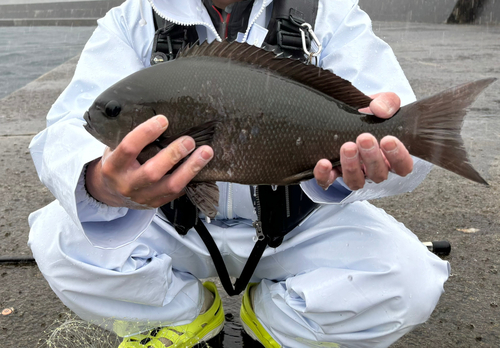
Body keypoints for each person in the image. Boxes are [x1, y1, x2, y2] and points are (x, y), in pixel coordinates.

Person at [28, 0, 450, 347]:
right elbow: (65, 130)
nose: (107, 116)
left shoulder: (330, 13)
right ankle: (186, 320)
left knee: (410, 280)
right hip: (172, 225)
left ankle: (277, 325)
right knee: (58, 241)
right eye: (115, 113)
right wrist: (102, 182)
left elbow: (405, 148)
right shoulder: (132, 18)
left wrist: (379, 150)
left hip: (300, 224)